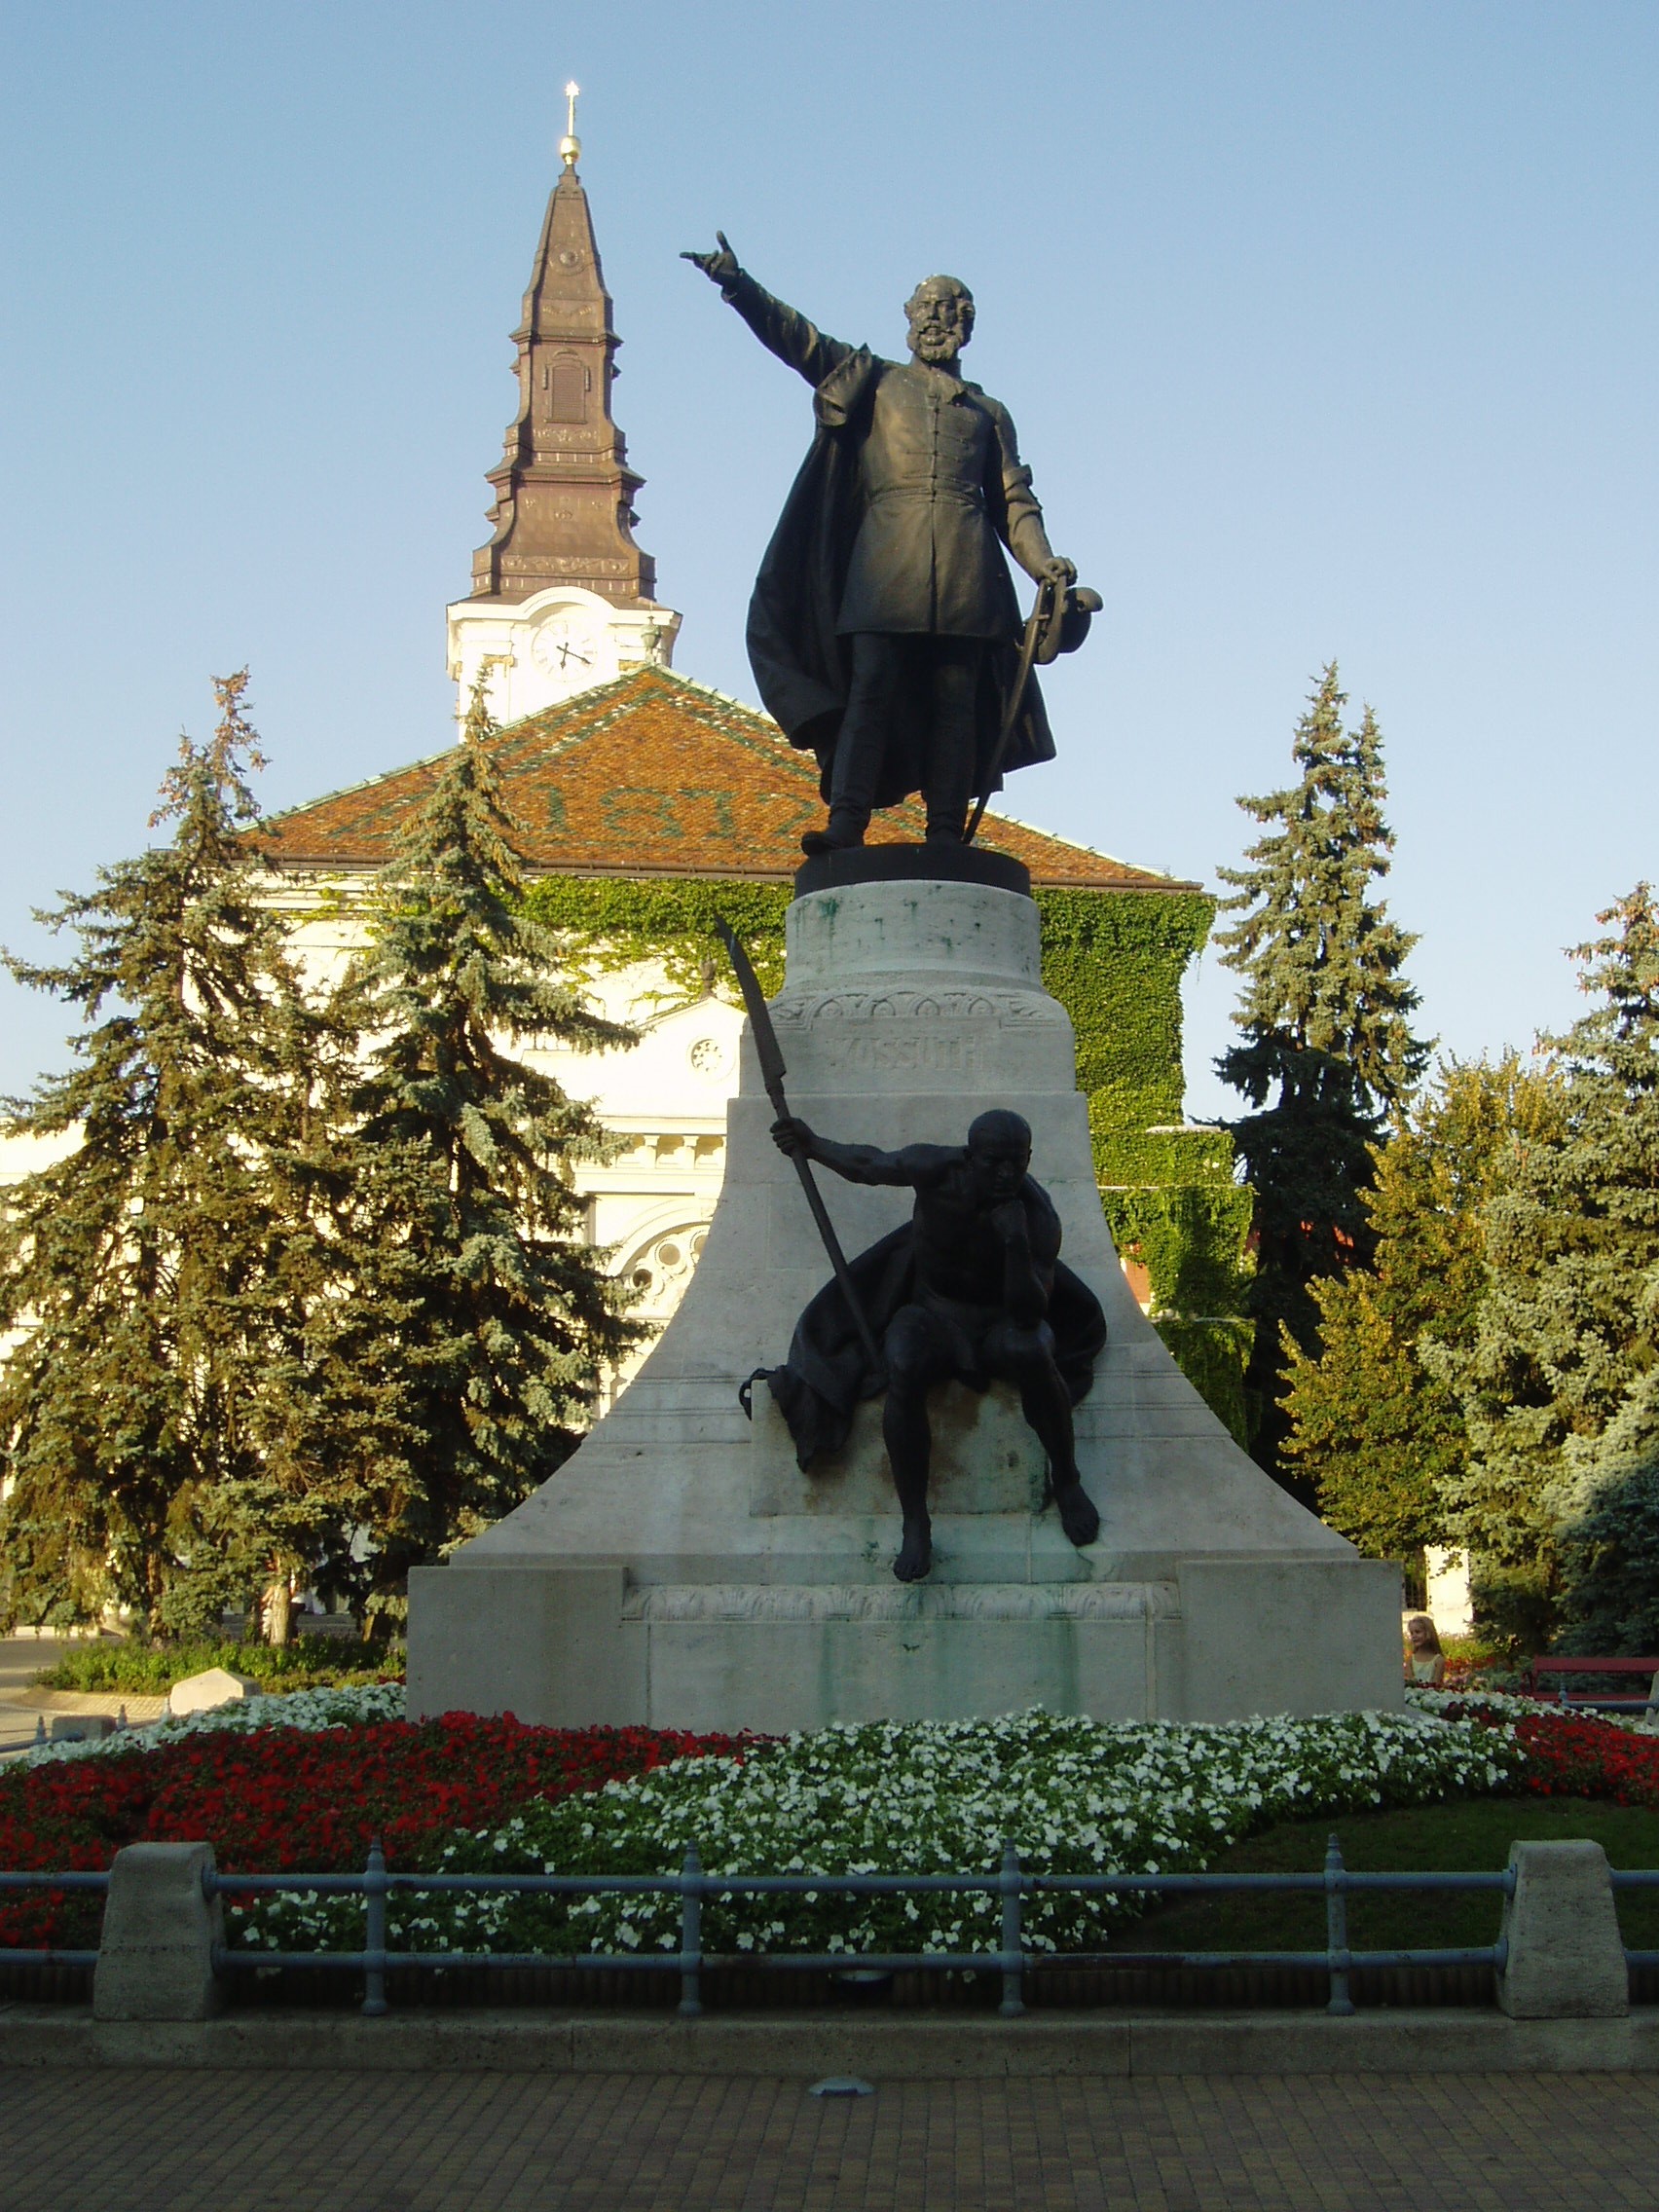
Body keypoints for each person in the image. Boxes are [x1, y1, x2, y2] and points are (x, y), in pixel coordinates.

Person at [683, 236, 1077, 853]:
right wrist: (740, 287)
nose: (937, 320)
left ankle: (944, 832)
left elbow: (1013, 501)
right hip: (882, 569)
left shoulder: (989, 413)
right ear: (909, 319)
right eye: (927, 309)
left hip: (969, 576)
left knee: (955, 704)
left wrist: (1042, 562)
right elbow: (800, 342)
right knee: (869, 692)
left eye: (950, 311)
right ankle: (846, 824)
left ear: (967, 327)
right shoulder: (874, 381)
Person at [766, 1107, 1105, 1582]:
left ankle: (1067, 1478)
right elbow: (870, 1165)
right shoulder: (936, 1169)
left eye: (1017, 1161)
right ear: (971, 1156)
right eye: (994, 1161)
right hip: (934, 1315)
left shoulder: (1038, 1216)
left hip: (1001, 1322)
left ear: (1029, 1159)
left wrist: (1015, 1244)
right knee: (903, 1359)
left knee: (1033, 1350)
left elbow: (1031, 1314)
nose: (1006, 1173)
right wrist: (812, 1144)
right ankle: (915, 1521)